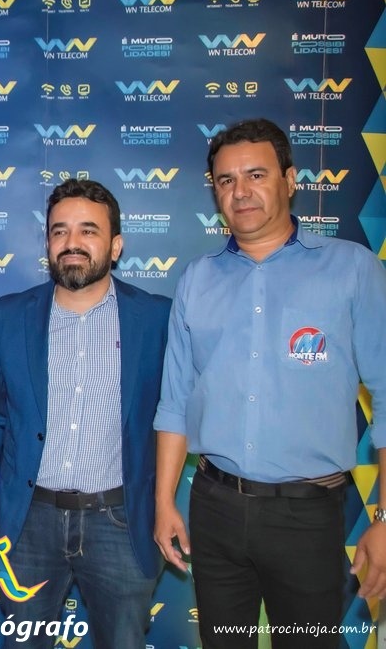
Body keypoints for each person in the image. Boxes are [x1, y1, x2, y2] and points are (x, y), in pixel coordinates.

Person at [154, 118, 386, 648]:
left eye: (256, 175)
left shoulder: (352, 270)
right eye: (226, 180)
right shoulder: (196, 279)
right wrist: (165, 502)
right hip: (214, 507)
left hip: (308, 515)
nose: (240, 191)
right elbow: (174, 403)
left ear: (290, 179)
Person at [0, 179, 170, 648]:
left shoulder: (157, 318)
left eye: (88, 230)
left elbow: (174, 414)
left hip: (121, 523)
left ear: (115, 246)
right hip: (28, 524)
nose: (72, 242)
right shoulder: (10, 315)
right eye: (59, 231)